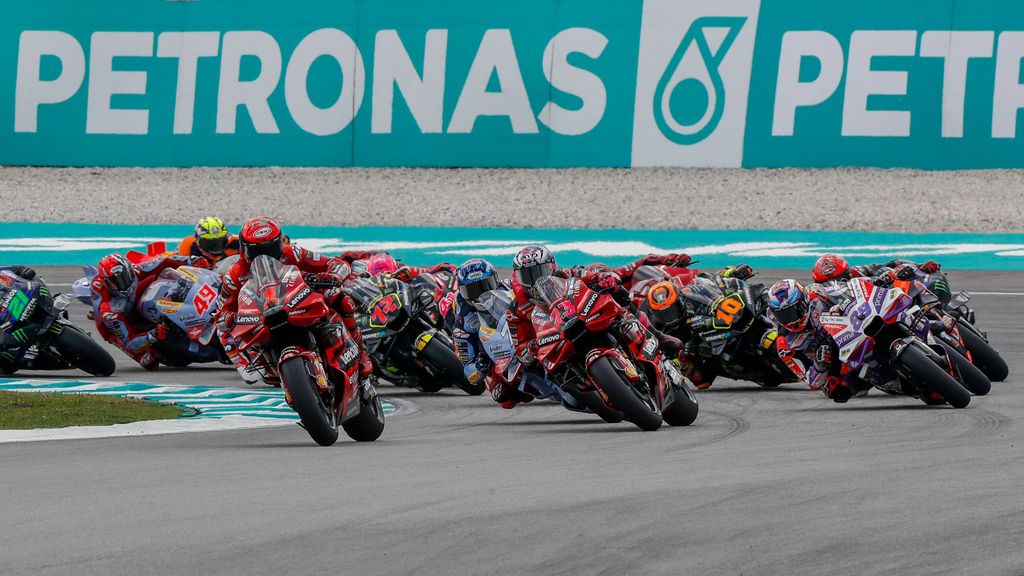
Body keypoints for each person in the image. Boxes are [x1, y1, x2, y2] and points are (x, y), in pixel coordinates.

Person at [505, 246, 682, 397]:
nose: (533, 279)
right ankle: (588, 391)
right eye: (526, 275)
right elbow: (519, 346)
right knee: (552, 372)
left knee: (618, 299)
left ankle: (657, 336)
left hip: (582, 317)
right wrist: (530, 348)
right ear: (518, 277)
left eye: (537, 272)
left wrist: (604, 279)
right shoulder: (515, 309)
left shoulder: (566, 275)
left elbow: (589, 276)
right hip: (554, 339)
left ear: (551, 267)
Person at [213, 217, 374, 382]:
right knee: (237, 342)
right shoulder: (234, 275)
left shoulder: (293, 253)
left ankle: (360, 352)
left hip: (297, 302)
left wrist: (332, 275)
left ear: (280, 243)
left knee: (338, 296)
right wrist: (229, 317)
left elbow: (336, 264)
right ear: (244, 249)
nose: (266, 255)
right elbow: (219, 315)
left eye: (271, 248)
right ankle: (265, 363)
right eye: (257, 251)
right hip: (262, 316)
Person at [640, 264, 755, 389]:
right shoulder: (660, 331)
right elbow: (666, 362)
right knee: (700, 380)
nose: (669, 317)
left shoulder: (689, 295)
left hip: (722, 325)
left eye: (671, 311)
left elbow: (710, 280)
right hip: (702, 352)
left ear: (679, 301)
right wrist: (683, 358)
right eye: (663, 315)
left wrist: (731, 273)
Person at [90, 252, 209, 370]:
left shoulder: (136, 270)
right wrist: (153, 335)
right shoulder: (109, 310)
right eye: (114, 282)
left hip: (136, 300)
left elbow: (164, 261)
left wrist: (191, 260)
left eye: (124, 278)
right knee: (149, 362)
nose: (122, 285)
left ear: (130, 270)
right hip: (117, 326)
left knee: (164, 280)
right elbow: (130, 342)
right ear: (106, 283)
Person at [767, 279, 869, 402]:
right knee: (833, 389)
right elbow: (811, 382)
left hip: (854, 329)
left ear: (804, 301)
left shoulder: (817, 293)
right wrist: (819, 365)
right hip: (838, 361)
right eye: (783, 316)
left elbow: (847, 289)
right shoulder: (784, 345)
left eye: (793, 311)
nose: (790, 320)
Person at [450, 258, 530, 408]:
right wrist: (480, 366)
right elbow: (469, 373)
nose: (481, 294)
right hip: (495, 353)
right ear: (463, 292)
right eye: (473, 290)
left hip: (523, 332)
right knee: (504, 397)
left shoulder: (510, 288)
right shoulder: (463, 323)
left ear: (496, 280)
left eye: (486, 286)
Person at [176, 217, 240, 263]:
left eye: (220, 241)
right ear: (199, 241)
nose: (216, 246)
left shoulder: (236, 244)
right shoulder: (189, 246)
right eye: (211, 242)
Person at [364, 253, 457, 282]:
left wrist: (455, 271)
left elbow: (444, 267)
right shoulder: (365, 287)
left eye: (388, 274)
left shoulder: (406, 273)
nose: (384, 277)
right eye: (380, 275)